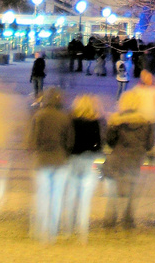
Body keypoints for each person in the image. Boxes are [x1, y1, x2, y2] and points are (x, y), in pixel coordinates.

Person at [28, 87, 74, 241]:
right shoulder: (65, 118)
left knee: (43, 196)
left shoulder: (38, 116)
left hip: (42, 160)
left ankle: (40, 230)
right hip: (60, 160)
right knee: (57, 197)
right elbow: (70, 142)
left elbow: (32, 142)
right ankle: (52, 231)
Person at [102, 89, 152, 228]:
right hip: (135, 160)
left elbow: (110, 142)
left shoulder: (116, 121)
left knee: (113, 190)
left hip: (118, 159)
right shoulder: (146, 122)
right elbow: (149, 144)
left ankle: (110, 219)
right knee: (132, 190)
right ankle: (128, 220)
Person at [63, 94, 103, 241]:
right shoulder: (95, 122)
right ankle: (82, 233)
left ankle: (68, 230)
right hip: (87, 160)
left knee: (71, 196)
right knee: (85, 199)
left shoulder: (71, 121)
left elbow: (67, 141)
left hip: (73, 160)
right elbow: (98, 144)